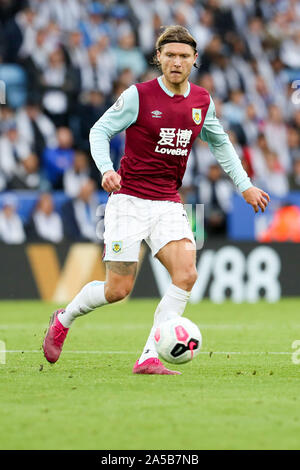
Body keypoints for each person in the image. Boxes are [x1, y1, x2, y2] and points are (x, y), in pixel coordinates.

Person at [43, 25, 270, 375]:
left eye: (183, 56)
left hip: (168, 202)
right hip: (128, 199)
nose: (176, 62)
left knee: (187, 273)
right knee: (118, 289)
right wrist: (105, 169)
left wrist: (245, 185)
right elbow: (99, 130)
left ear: (194, 60)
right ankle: (64, 318)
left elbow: (221, 143)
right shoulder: (138, 95)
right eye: (170, 55)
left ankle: (148, 355)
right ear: (158, 59)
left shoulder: (201, 101)